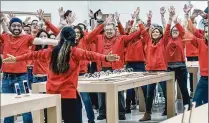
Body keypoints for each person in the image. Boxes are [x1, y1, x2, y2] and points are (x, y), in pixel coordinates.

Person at [2, 26, 120, 123]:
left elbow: (32, 55)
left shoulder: (50, 52)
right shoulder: (75, 52)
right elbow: (91, 55)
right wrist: (106, 57)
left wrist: (16, 59)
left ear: (60, 38)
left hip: (51, 95)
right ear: (74, 38)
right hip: (69, 96)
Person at [0, 17, 60, 123]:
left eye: (18, 25)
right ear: (10, 27)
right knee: (7, 108)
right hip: (6, 78)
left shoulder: (27, 38)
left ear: (22, 27)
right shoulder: (4, 37)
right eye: (14, 25)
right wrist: (2, 21)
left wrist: (58, 41)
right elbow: (5, 30)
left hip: (21, 77)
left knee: (25, 107)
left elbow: (42, 40)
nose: (16, 28)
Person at [139, 6, 175, 121]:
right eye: (153, 31)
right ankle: (148, 113)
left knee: (165, 92)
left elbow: (168, 30)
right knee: (149, 94)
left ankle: (170, 111)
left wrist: (169, 17)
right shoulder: (148, 41)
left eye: (157, 32)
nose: (155, 33)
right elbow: (142, 30)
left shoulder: (163, 42)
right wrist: (139, 18)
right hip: (150, 71)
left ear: (160, 34)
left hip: (162, 71)